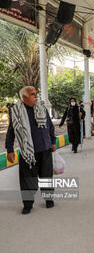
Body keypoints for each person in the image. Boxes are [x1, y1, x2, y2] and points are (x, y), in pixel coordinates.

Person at [6, 86, 56, 214]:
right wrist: (9, 149)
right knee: (27, 179)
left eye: (36, 93)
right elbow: (11, 131)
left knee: (47, 176)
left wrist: (53, 141)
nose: (36, 96)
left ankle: (49, 199)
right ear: (24, 97)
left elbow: (50, 126)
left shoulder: (42, 108)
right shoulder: (16, 111)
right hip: (28, 152)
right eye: (33, 94)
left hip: (45, 148)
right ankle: (28, 204)